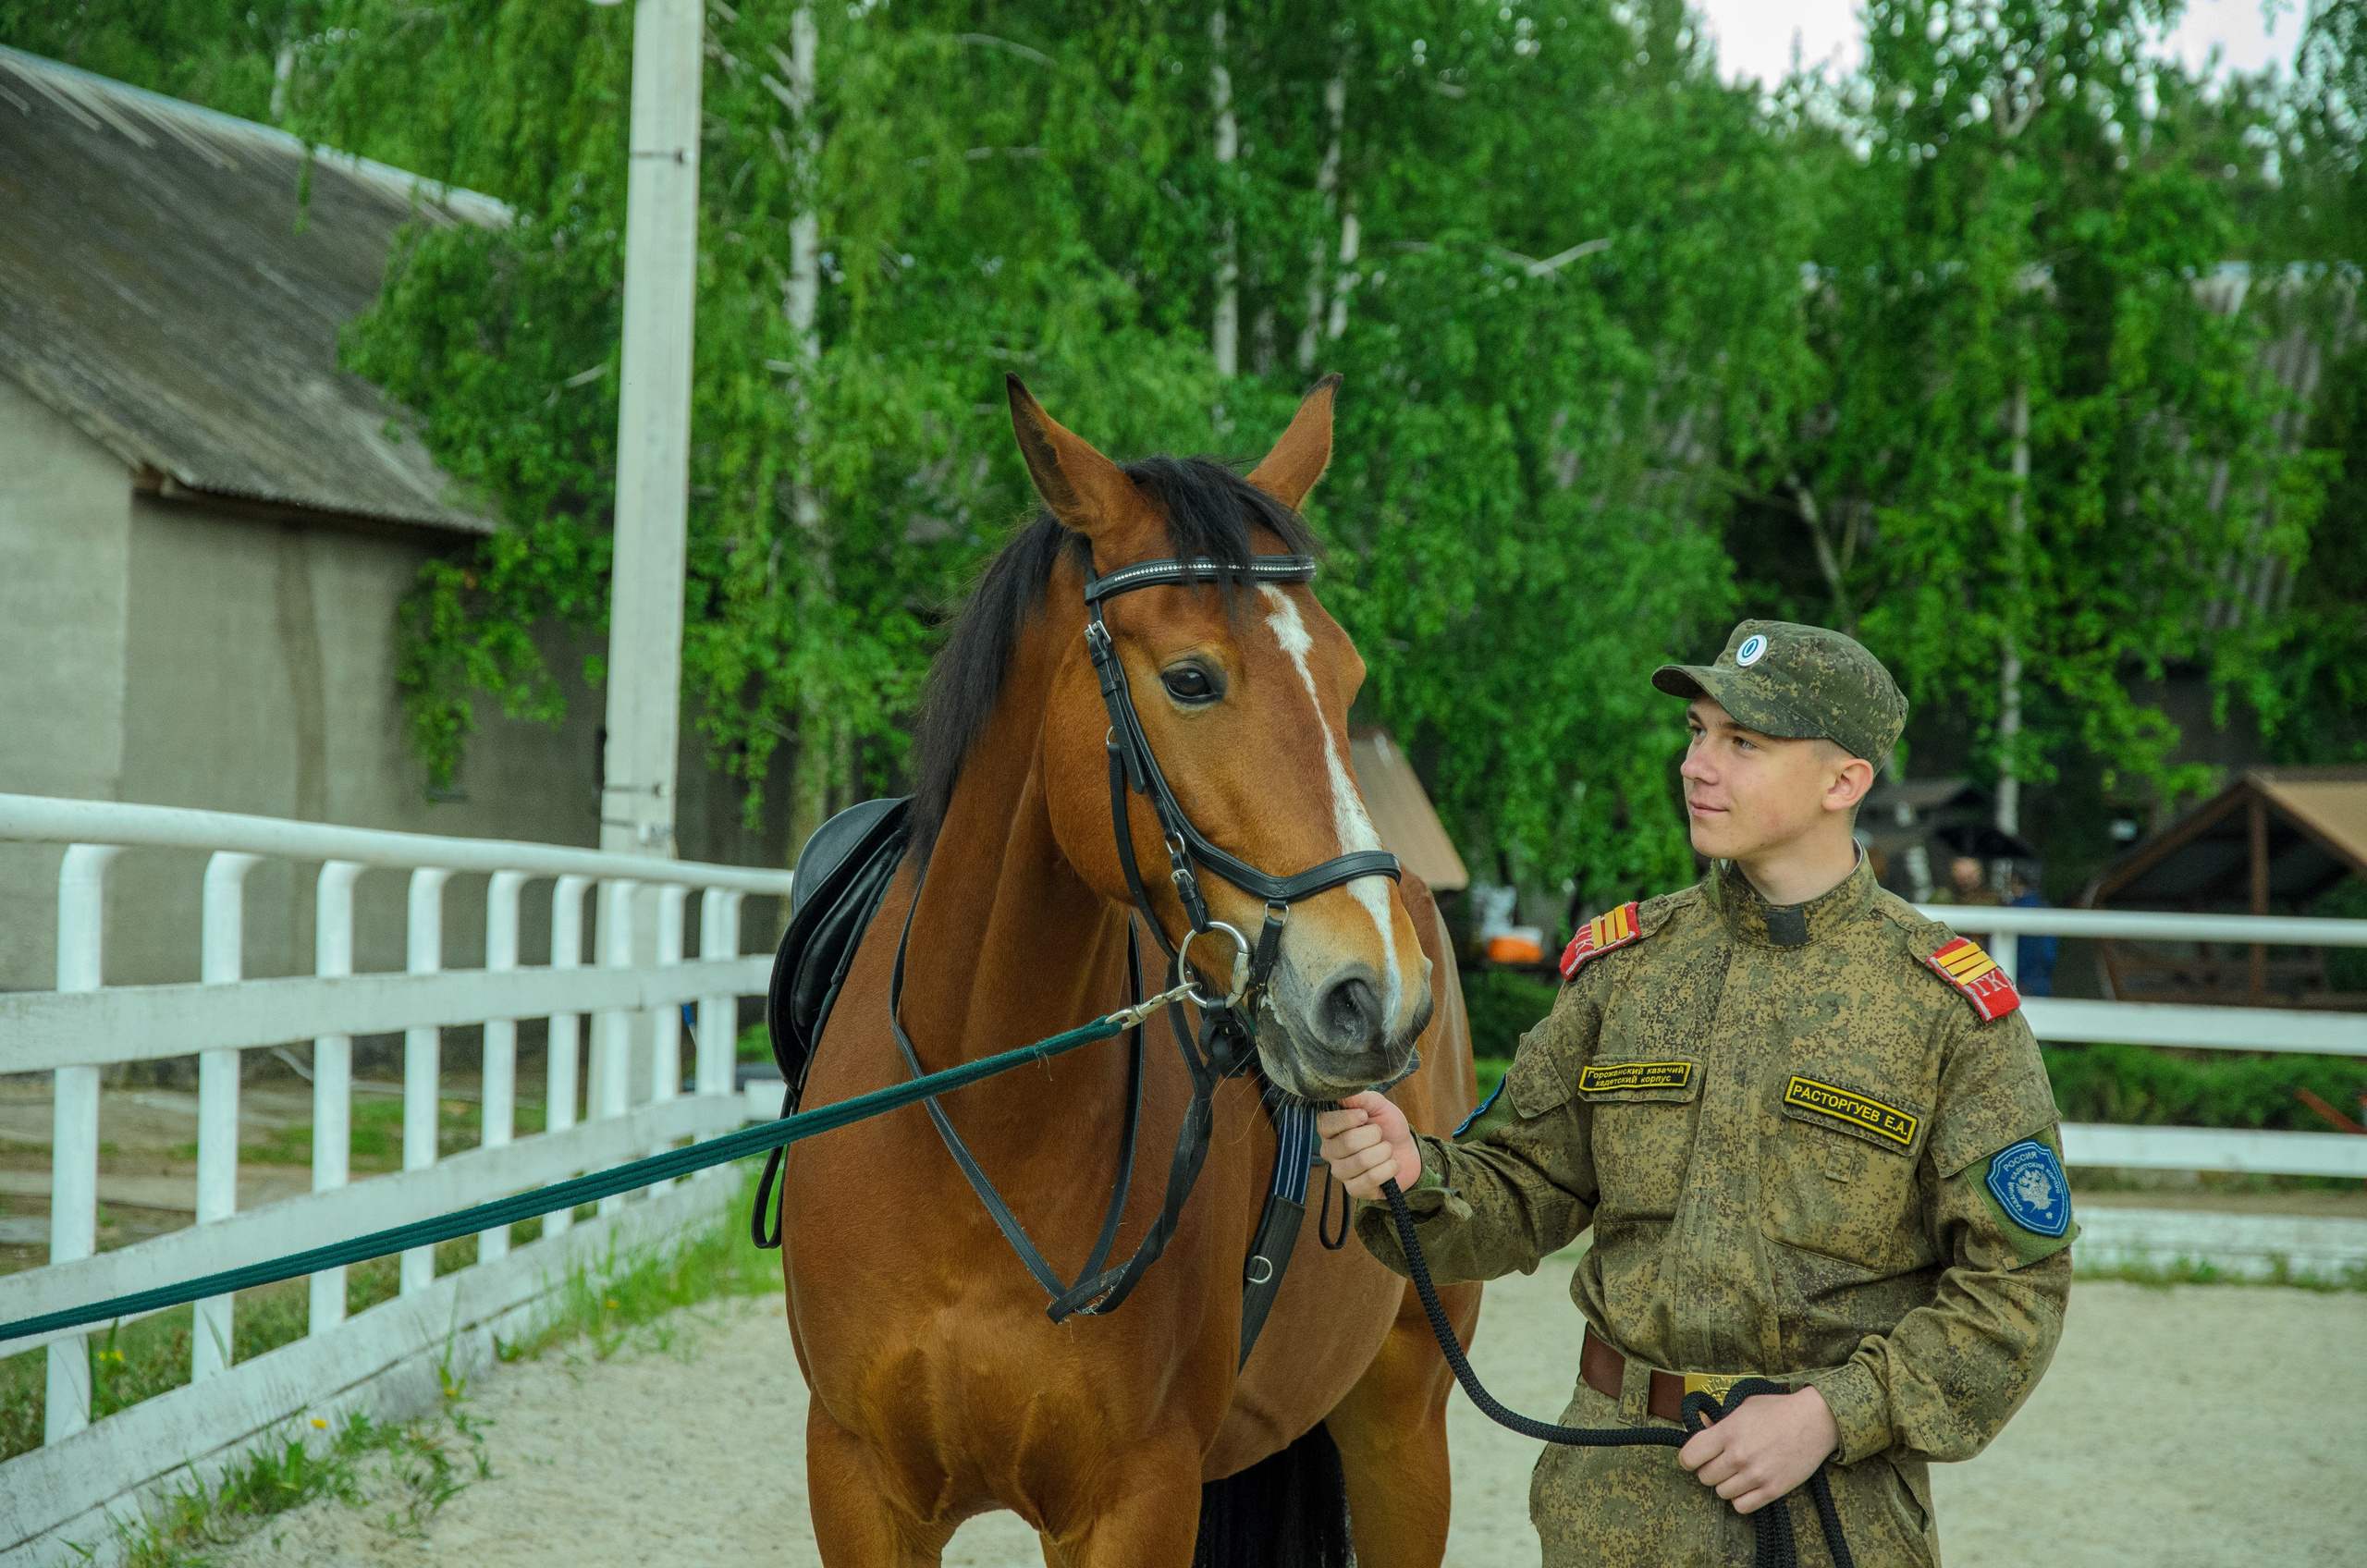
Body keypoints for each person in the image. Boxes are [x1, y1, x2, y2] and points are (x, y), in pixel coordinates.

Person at [1318, 619, 2073, 1568]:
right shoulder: (1624, 970)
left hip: (1830, 1517)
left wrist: (1832, 1416)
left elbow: (2015, 1291)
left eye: (1742, 742)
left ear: (1843, 782)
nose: (1697, 765)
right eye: (1695, 732)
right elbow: (1517, 1191)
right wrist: (1409, 1173)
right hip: (1613, 1506)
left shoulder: (1947, 1010)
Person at [2007, 863, 2057, 998]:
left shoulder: (2011, 911)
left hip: (2018, 982)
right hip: (2043, 982)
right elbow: (2049, 954)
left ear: (2015, 880)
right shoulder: (2047, 908)